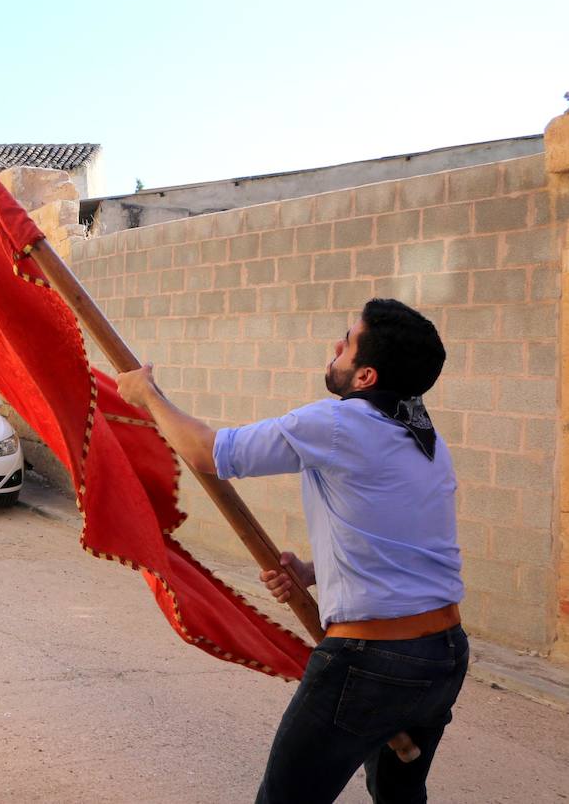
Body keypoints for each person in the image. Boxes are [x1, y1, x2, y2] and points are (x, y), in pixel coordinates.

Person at [113, 298, 464, 804]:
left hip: (372, 657)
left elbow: (209, 453)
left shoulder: (340, 424)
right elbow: (407, 544)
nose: (335, 347)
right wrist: (313, 571)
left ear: (365, 377)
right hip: (442, 653)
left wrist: (147, 395)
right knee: (399, 794)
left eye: (347, 342)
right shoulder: (426, 439)